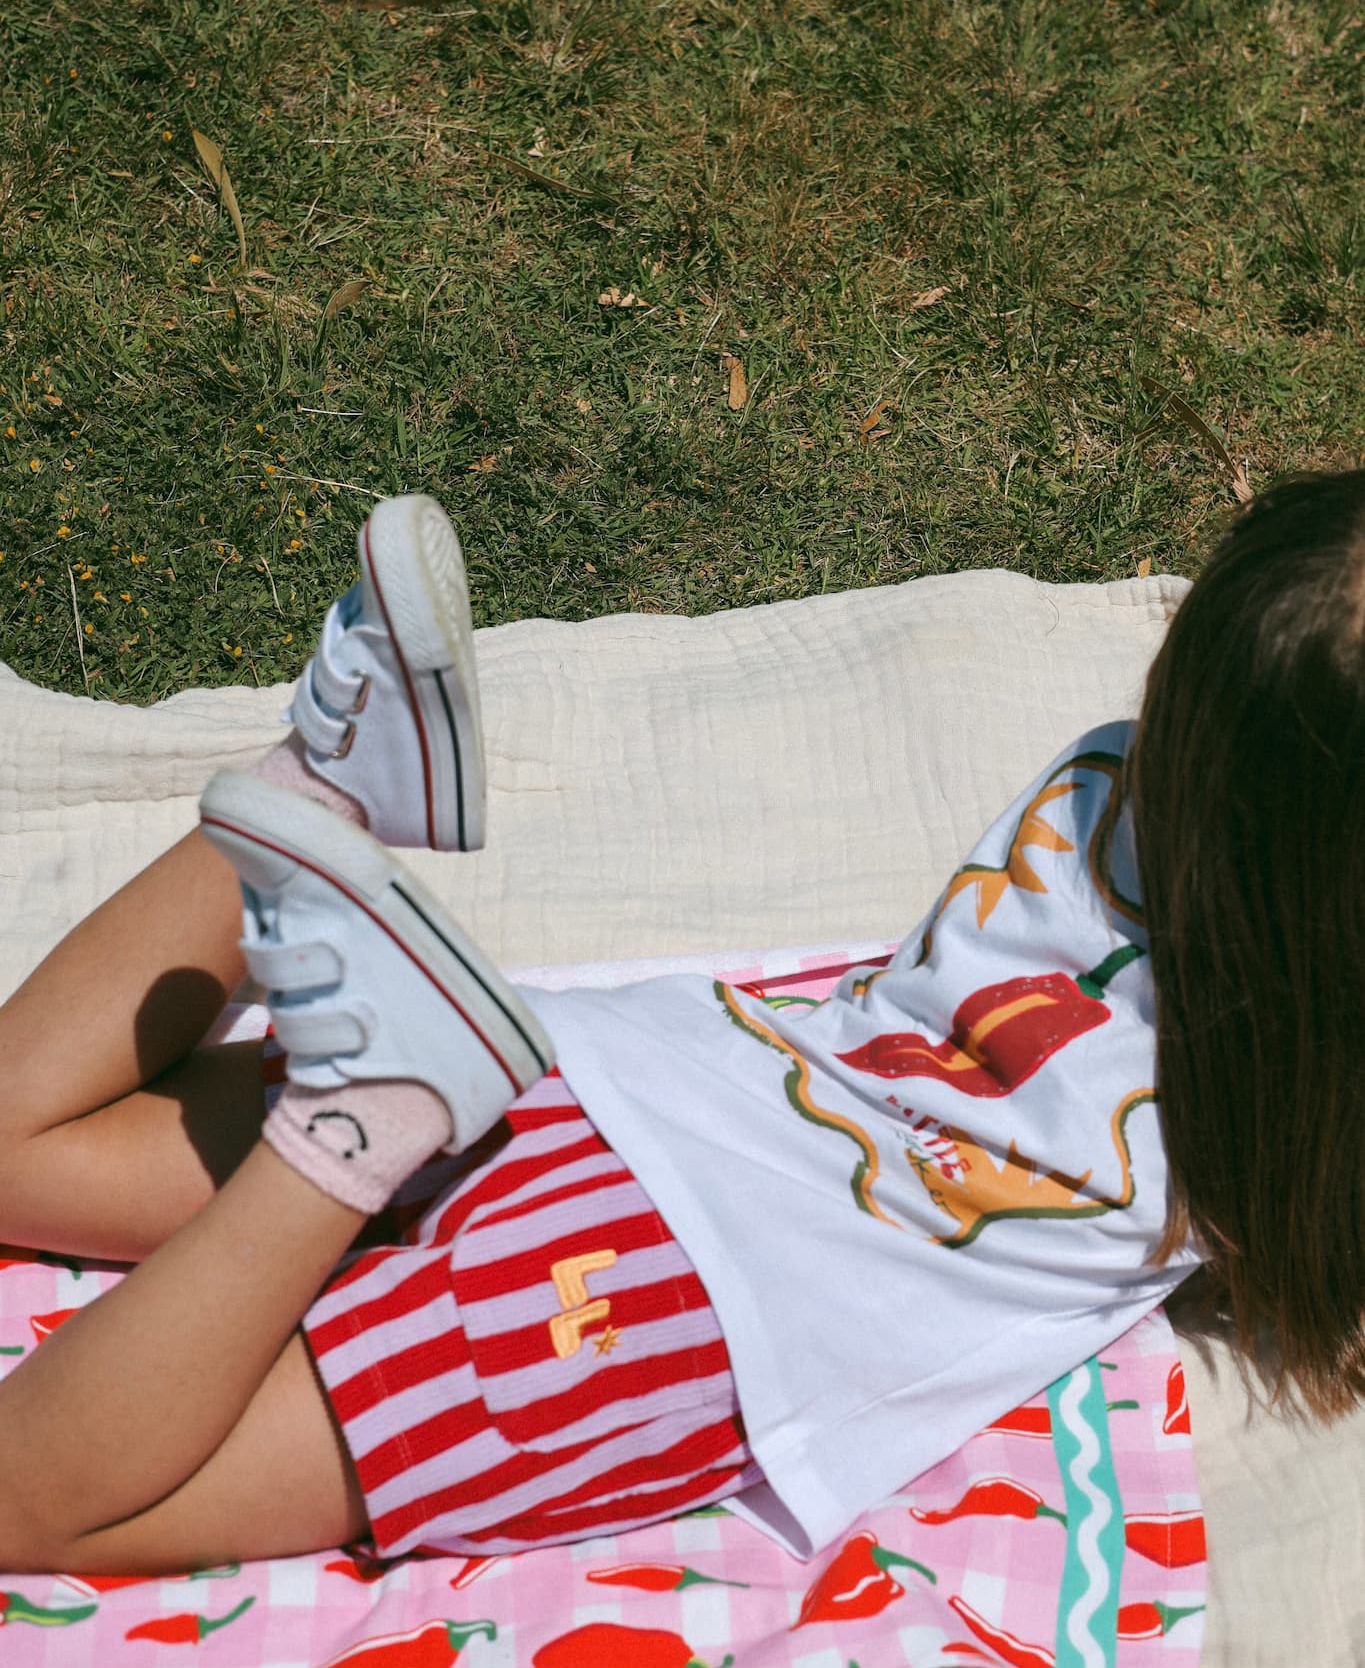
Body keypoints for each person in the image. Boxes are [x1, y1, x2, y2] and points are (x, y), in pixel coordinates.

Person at [0, 478, 1359, 1576]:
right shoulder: (1309, 1066)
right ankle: (358, 1126)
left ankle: (328, 783)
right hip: (667, 1305)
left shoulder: (1104, 769)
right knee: (32, 1503)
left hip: (610, 1082)